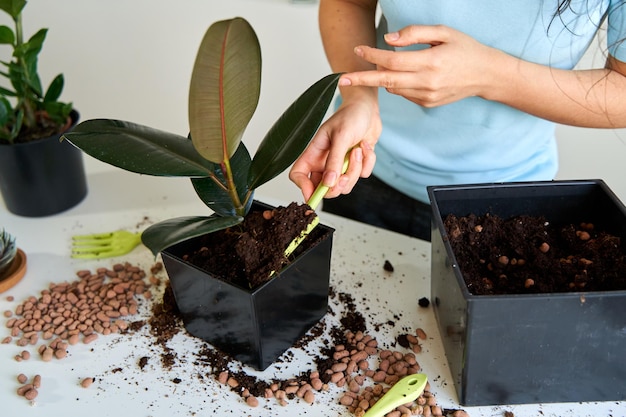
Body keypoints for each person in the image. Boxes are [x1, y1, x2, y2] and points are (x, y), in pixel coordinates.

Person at [289, 0, 626, 241]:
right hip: (364, 168)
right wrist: (360, 99)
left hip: (503, 202)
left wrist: (487, 75)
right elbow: (350, 3)